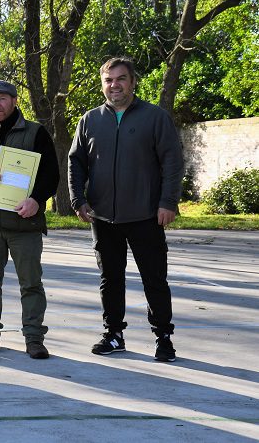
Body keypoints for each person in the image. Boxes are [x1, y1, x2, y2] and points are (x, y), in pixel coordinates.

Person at [69, 57, 184, 362]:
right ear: (102, 84)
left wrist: (168, 202)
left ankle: (163, 336)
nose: (114, 85)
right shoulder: (90, 119)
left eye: (121, 79)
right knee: (110, 278)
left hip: (146, 214)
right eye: (108, 80)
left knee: (154, 278)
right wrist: (77, 199)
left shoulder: (155, 117)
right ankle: (114, 334)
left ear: (133, 82)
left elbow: (172, 161)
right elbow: (75, 162)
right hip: (103, 216)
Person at [0, 80, 59, 359]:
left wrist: (37, 200)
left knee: (30, 283)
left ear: (15, 101)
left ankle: (33, 337)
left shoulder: (35, 133)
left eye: (2, 99)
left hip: (24, 223)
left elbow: (51, 175)